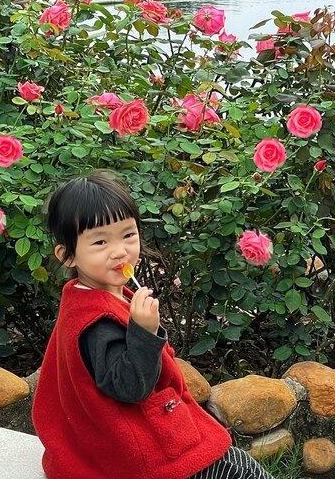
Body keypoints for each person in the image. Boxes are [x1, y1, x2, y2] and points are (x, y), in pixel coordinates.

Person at [32, 171, 264, 479]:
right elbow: (130, 387)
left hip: (121, 438)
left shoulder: (93, 294)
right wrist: (144, 332)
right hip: (135, 450)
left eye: (128, 235)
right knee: (239, 468)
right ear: (68, 256)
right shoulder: (96, 322)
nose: (120, 251)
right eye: (100, 241)